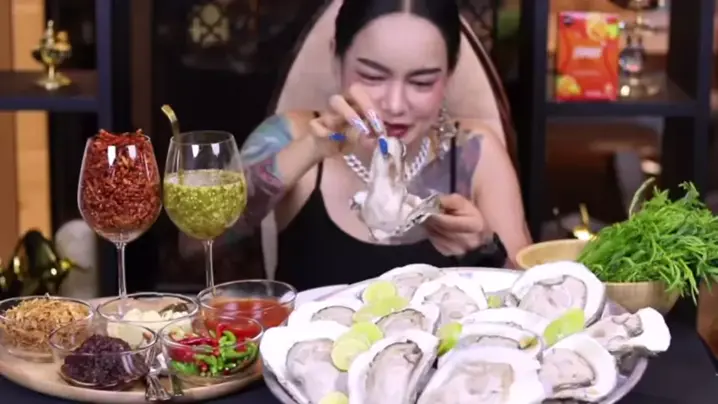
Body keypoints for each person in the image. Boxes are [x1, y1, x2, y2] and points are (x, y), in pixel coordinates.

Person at [235, 0, 531, 291]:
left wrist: (486, 248)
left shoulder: (475, 151)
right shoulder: (292, 135)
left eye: (422, 82)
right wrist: (311, 148)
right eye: (372, 77)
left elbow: (532, 293)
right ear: (337, 61)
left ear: (449, 76)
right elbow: (212, 238)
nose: (395, 105)